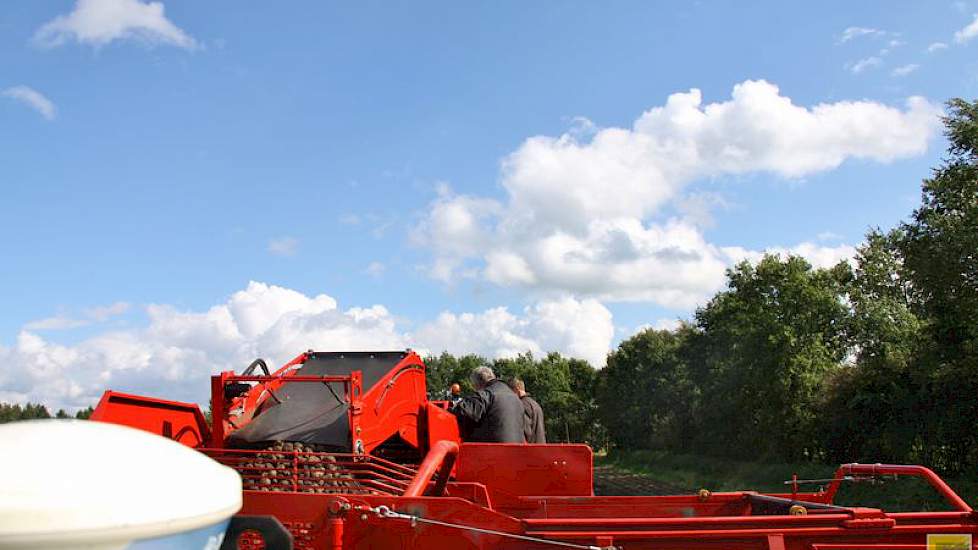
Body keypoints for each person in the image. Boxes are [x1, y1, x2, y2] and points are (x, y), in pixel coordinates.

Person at [450, 366, 525, 443]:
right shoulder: (516, 398)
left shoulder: (486, 395)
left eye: (474, 386)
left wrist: (450, 409)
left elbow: (462, 412)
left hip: (491, 450)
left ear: (478, 384)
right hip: (516, 451)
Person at [507, 378, 546, 443]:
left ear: (516, 389)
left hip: (529, 450)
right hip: (540, 448)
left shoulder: (521, 405)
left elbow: (525, 433)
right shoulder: (536, 404)